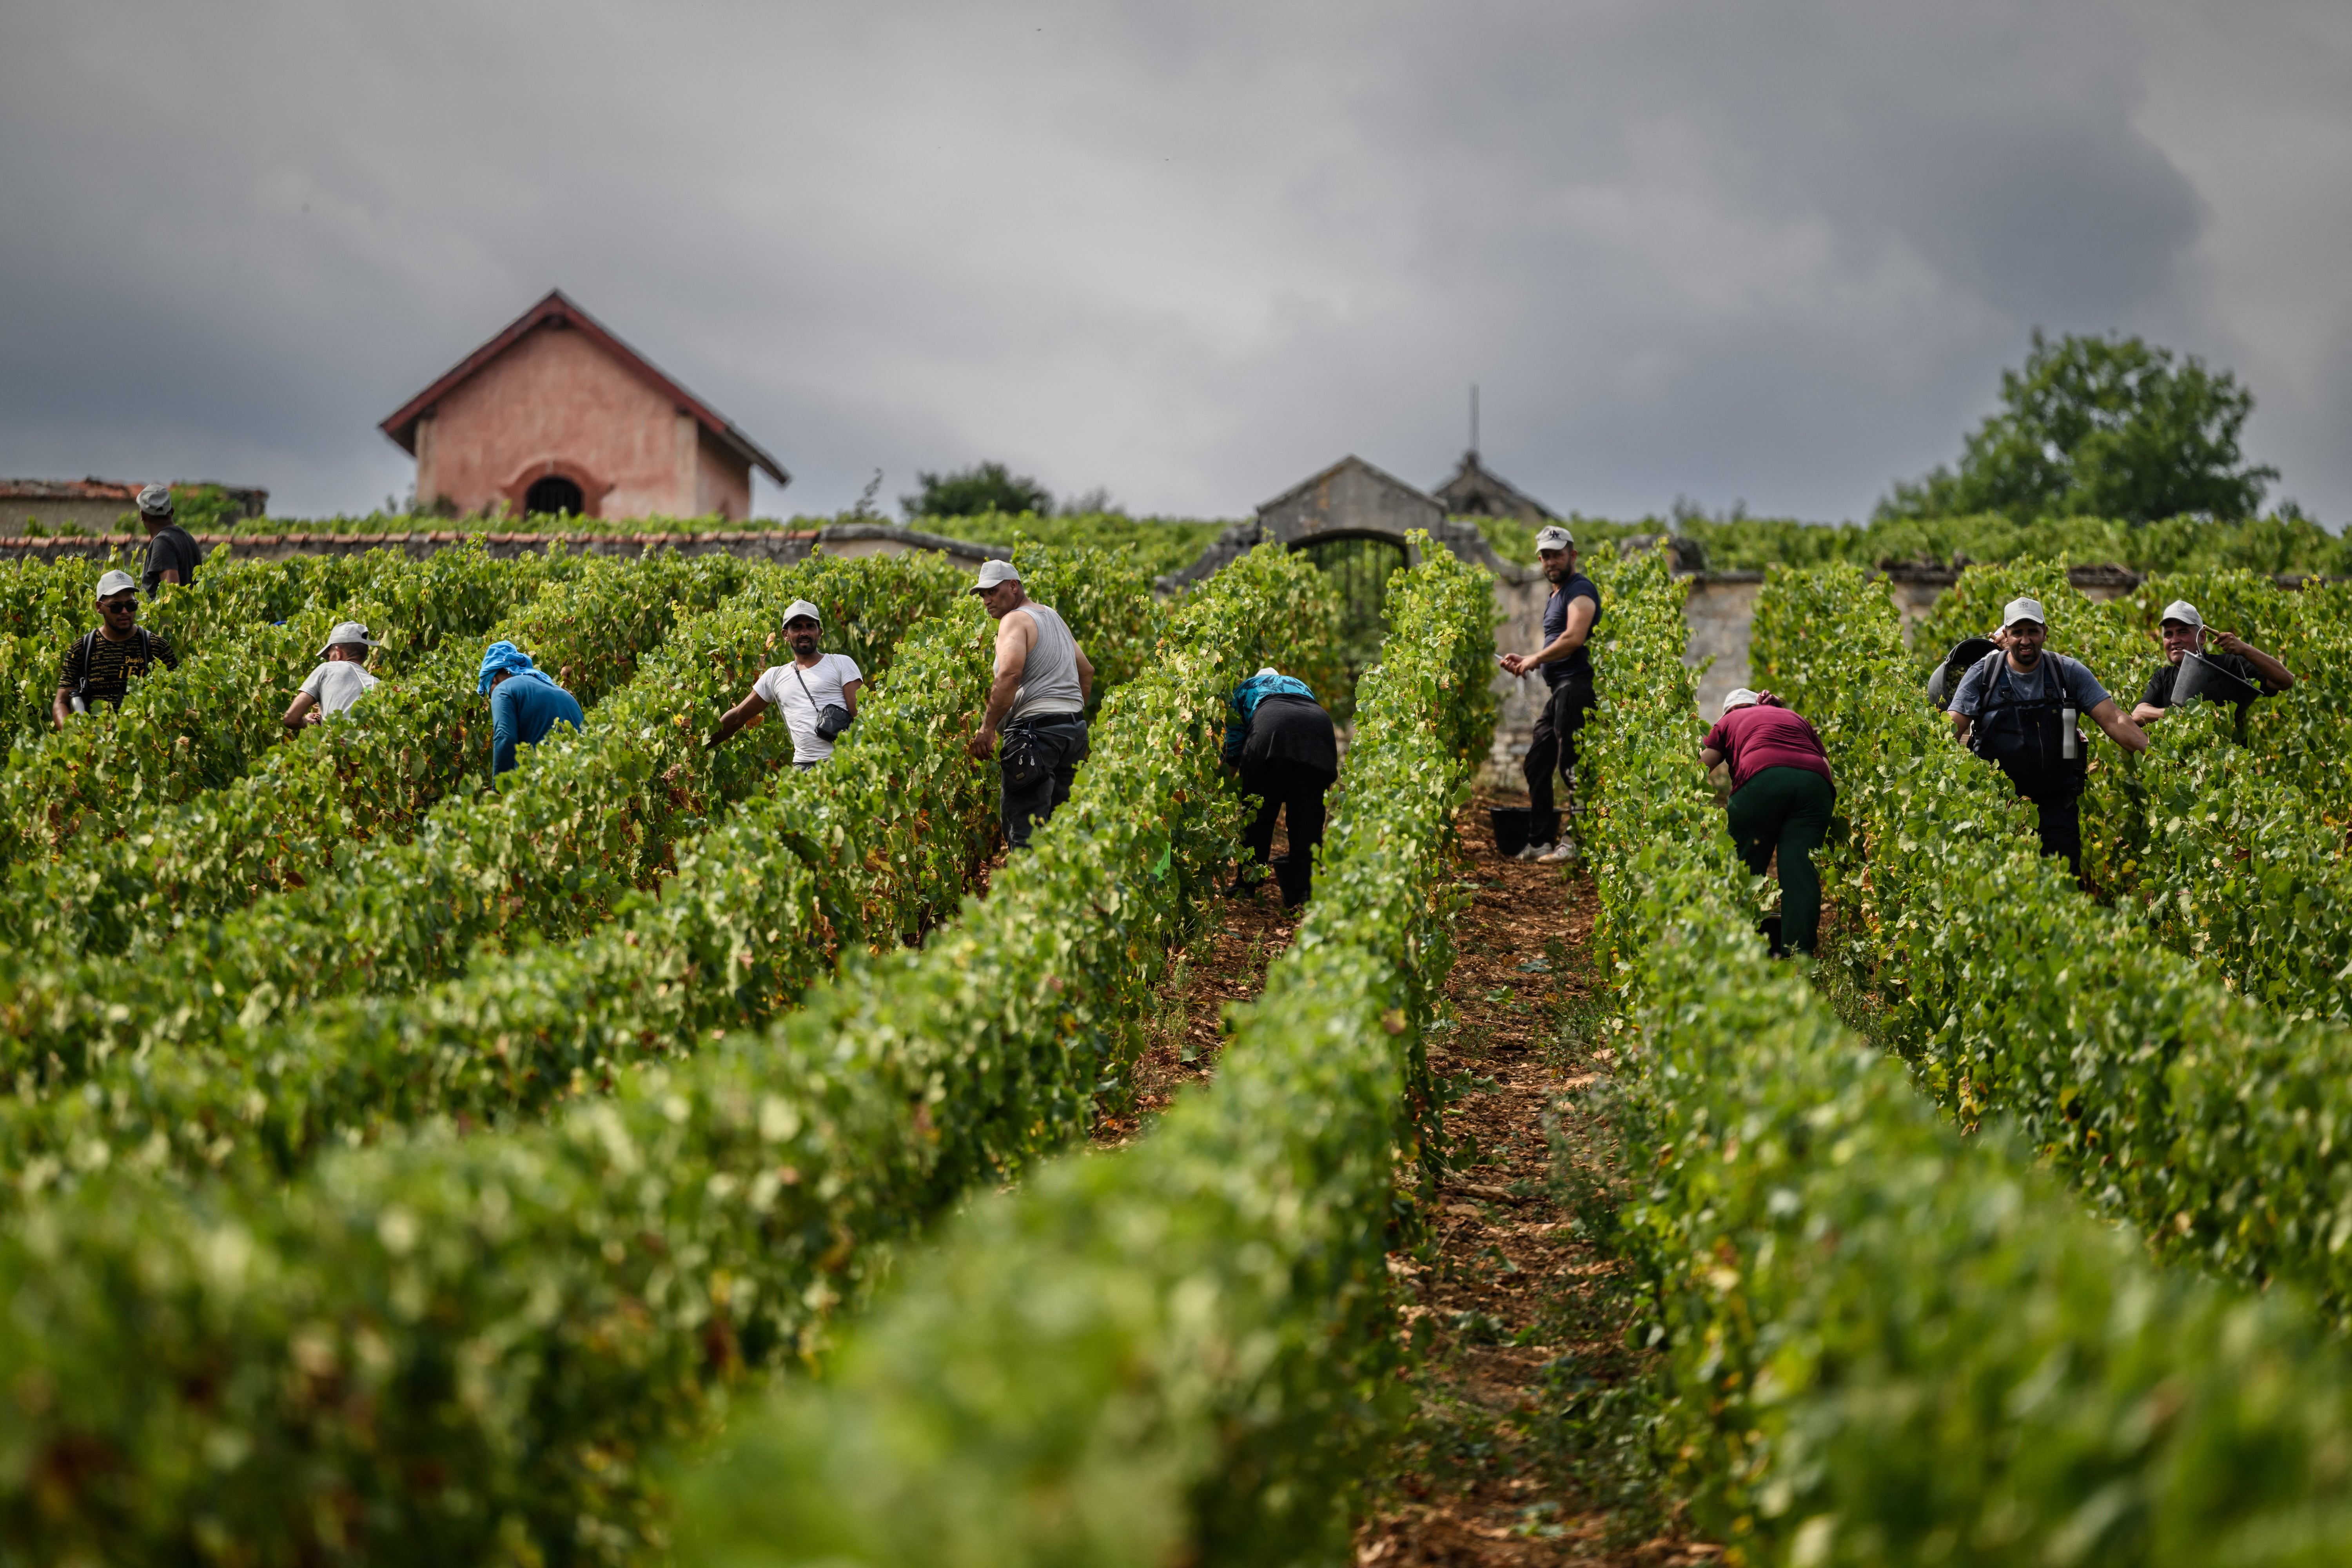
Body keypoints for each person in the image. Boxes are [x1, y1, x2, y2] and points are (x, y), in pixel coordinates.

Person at [1947, 596, 2148, 878]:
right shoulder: (1983, 675)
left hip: (2057, 808)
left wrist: (2154, 757)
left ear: (2045, 633)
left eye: (2033, 631)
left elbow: (2114, 718)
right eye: (2018, 632)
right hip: (1998, 811)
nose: (2025, 640)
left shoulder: (2068, 673)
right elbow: (1952, 728)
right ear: (2006, 635)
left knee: (2065, 890)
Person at [963, 559, 1094, 849]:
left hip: (1035, 738)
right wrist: (1068, 717)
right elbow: (1086, 671)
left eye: (993, 592)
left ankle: (1028, 895)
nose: (987, 601)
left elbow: (1010, 674)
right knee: (1062, 834)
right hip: (1073, 733)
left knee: (1025, 835)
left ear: (1014, 586)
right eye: (982, 595)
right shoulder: (1053, 617)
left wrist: (988, 728)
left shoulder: (1015, 620)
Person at [1700, 688, 1835, 957]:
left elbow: (1703, 765)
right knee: (1800, 870)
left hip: (1762, 779)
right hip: (1815, 785)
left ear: (1729, 711)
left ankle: (1735, 947)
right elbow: (1826, 766)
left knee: (1743, 868)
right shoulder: (1794, 718)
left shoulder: (1728, 721)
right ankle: (1800, 957)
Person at [1499, 523, 1601, 864]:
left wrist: (1534, 659)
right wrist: (1528, 659)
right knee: (1537, 763)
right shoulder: (1557, 594)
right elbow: (1556, 642)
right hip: (1559, 690)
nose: (1550, 561)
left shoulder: (1580, 589)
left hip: (1577, 688)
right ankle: (1541, 840)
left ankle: (1577, 839)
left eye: (1557, 554)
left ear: (1572, 555)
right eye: (1545, 556)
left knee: (1573, 765)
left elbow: (1574, 638)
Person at [1223, 666, 1339, 907]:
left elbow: (1233, 749)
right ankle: (1302, 894)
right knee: (1306, 821)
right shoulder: (1299, 685)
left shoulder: (1247, 688)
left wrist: (1220, 789)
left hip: (1271, 729)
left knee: (1258, 814)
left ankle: (1247, 887)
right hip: (1320, 733)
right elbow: (1304, 727)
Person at [706, 599, 863, 768]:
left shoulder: (840, 663)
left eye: (810, 626)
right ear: (785, 635)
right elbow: (737, 717)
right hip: (804, 769)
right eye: (797, 627)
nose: (804, 633)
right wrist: (699, 746)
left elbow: (861, 716)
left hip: (844, 763)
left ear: (820, 633)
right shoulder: (775, 676)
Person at [2129, 599, 2294, 725]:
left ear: (2202, 637)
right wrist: (2185, 714)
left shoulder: (2230, 665)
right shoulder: (2163, 677)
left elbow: (2285, 680)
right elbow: (2138, 714)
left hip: (2232, 769)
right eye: (2169, 634)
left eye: (2182, 632)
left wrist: (2244, 649)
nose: (2174, 640)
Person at [53, 569, 178, 728]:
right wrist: (77, 736)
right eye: (116, 607)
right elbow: (61, 702)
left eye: (131, 605)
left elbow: (177, 698)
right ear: (99, 607)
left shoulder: (157, 647)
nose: (125, 612)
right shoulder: (81, 650)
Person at [477, 639, 584, 776]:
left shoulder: (503, 689)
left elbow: (505, 738)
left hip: (544, 783)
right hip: (577, 781)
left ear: (493, 681)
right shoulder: (565, 695)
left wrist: (500, 789)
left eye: (489, 693)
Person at [283, 622, 382, 733]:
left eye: (329, 655)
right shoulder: (377, 684)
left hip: (334, 749)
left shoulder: (327, 669)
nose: (329, 660)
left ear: (339, 653)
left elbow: (291, 719)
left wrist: (309, 722)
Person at [136, 485, 202, 595]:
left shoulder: (162, 543)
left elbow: (172, 595)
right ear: (172, 511)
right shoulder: (188, 538)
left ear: (143, 515)